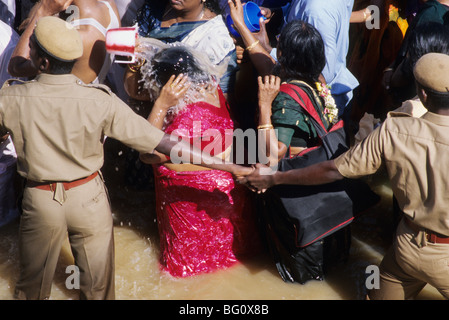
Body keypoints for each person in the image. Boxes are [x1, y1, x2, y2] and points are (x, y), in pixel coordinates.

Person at [0, 16, 251, 300]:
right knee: (97, 289)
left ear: (42, 63)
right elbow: (163, 143)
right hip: (89, 199)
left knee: (31, 287)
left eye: (31, 50)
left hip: (40, 199)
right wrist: (230, 165)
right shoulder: (100, 100)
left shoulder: (10, 98)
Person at [240, 52, 449, 300]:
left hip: (407, 246)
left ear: (422, 95)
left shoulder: (395, 129)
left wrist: (273, 178)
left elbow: (333, 169)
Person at [127, 43, 260, 277]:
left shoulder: (184, 119)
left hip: (194, 205)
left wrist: (160, 105)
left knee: (192, 273)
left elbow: (146, 150)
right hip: (229, 196)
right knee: (230, 263)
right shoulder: (211, 86)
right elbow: (135, 91)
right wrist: (134, 64)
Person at [132, 0, 237, 96]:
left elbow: (221, 97)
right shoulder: (153, 11)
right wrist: (135, 61)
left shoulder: (216, 37)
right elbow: (124, 63)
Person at [8, 0, 121, 84]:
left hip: (65, 111)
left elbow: (16, 67)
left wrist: (42, 11)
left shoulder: (74, 36)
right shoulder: (108, 5)